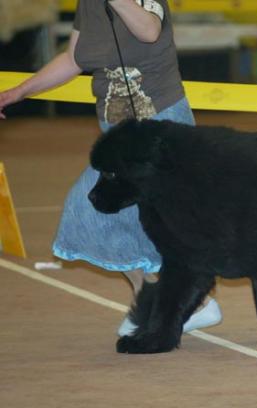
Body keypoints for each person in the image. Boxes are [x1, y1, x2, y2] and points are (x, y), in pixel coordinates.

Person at [0, 0, 222, 336]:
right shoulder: (88, 5)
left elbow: (148, 30)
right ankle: (164, 304)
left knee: (141, 216)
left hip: (160, 127)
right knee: (101, 213)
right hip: (117, 134)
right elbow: (73, 58)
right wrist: (19, 92)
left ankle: (179, 305)